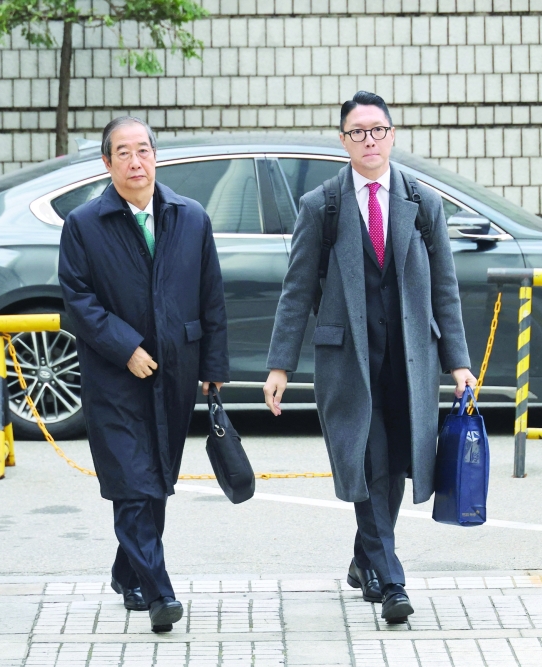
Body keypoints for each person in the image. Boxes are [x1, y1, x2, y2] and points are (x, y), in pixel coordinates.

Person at [263, 91, 476, 623]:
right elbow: (296, 290)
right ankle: (392, 581)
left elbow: (444, 290)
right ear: (344, 142)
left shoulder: (422, 203)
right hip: (349, 365)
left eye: (377, 130)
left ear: (392, 135)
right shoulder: (322, 206)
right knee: (370, 462)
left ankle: (365, 561)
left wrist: (459, 362)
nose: (369, 140)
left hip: (411, 363)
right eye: (357, 132)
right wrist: (279, 365)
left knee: (398, 464)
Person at [58, 117, 229, 633]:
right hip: (114, 378)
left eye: (144, 151)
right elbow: (77, 301)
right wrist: (124, 346)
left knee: (154, 482)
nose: (136, 162)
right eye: (124, 153)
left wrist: (212, 368)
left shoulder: (190, 217)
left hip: (174, 374)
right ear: (106, 163)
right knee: (132, 484)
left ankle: (126, 570)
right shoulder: (84, 224)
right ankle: (159, 592)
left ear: (157, 157)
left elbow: (211, 296)